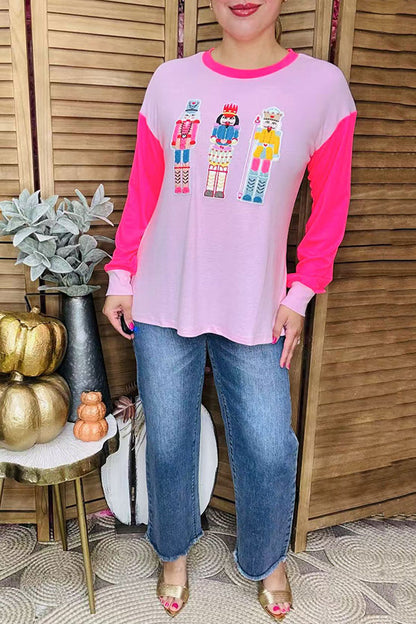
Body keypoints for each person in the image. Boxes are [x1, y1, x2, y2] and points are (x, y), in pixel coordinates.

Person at [102, 0, 357, 619]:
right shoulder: (171, 82)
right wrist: (121, 274)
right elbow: (144, 187)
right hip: (162, 296)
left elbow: (330, 207)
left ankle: (266, 556)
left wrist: (301, 294)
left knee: (270, 447)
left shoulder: (322, 89)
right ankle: (173, 549)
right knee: (168, 441)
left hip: (256, 305)